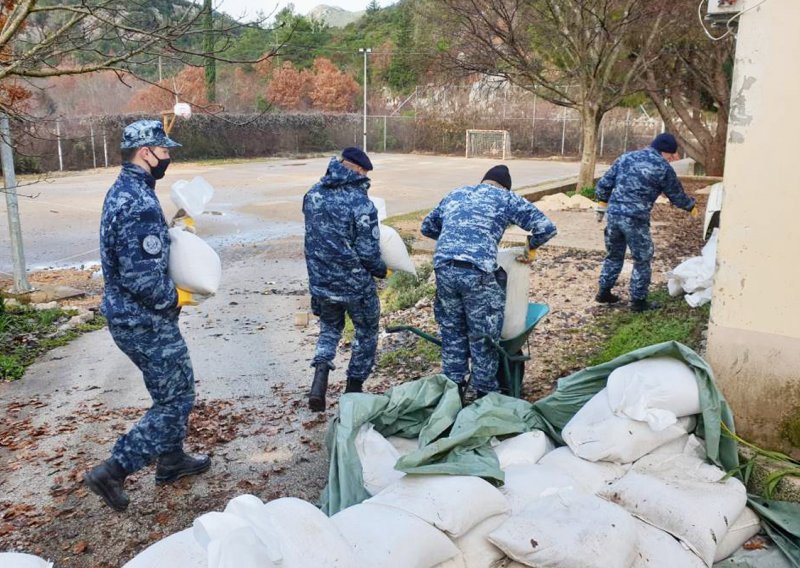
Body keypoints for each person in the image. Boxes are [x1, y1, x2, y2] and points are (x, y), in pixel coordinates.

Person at [84, 120, 210, 512]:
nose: (169, 157)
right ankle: (113, 470)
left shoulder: (128, 190)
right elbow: (141, 278)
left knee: (166, 390)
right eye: (165, 151)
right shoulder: (136, 201)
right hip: (144, 320)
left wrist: (175, 229)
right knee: (177, 398)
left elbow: (139, 253)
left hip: (132, 317)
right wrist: (178, 296)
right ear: (146, 153)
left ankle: (171, 460)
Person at [421, 165, 557, 399]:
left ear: (484, 181)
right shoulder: (506, 198)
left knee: (452, 331)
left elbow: (427, 227)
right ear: (505, 186)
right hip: (478, 272)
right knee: (483, 335)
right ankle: (485, 396)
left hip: (444, 269)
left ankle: (452, 393)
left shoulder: (456, 193)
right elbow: (546, 228)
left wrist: (455, 241)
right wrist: (529, 248)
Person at [303, 147, 388, 412]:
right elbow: (368, 252)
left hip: (321, 282)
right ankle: (353, 391)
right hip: (355, 285)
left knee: (329, 329)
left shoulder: (312, 195)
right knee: (365, 332)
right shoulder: (362, 204)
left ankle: (319, 382)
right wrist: (381, 270)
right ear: (359, 171)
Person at [594, 132, 697, 312]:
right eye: (672, 155)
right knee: (642, 258)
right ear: (667, 152)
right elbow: (676, 195)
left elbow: (604, 183)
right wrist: (691, 207)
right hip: (636, 219)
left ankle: (604, 292)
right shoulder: (662, 167)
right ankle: (638, 301)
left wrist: (602, 202)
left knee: (614, 255)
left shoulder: (626, 157)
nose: (672, 158)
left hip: (614, 215)